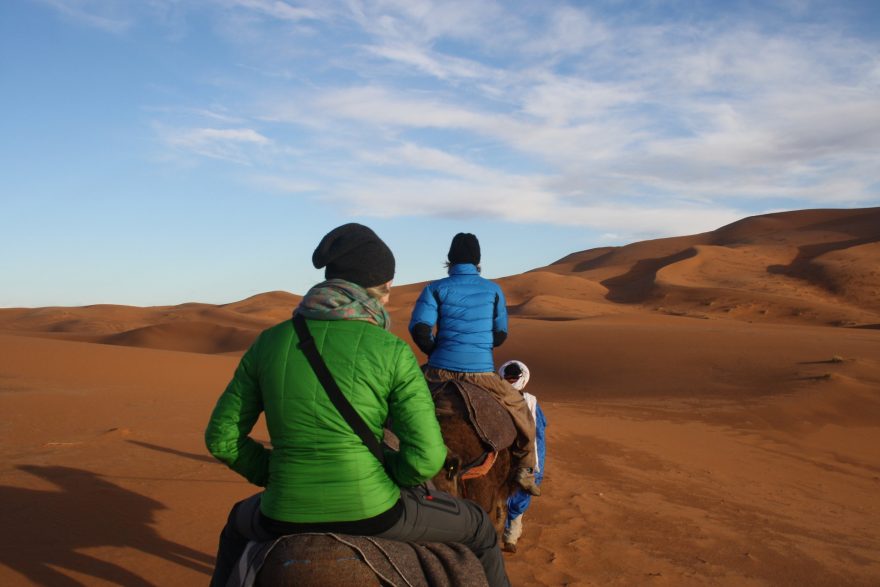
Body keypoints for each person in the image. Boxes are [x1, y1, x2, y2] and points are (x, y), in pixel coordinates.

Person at [205, 223, 510, 587]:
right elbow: (427, 458)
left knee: (235, 528)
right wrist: (390, 472)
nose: (388, 298)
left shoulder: (268, 343)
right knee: (480, 528)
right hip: (372, 510)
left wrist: (276, 474)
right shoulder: (391, 350)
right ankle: (526, 466)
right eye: (387, 288)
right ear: (378, 288)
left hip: (281, 510)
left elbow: (222, 439)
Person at [409, 233, 540, 496]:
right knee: (520, 410)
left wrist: (437, 350)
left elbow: (420, 329)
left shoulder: (435, 288)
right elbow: (500, 335)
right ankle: (525, 469)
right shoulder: (493, 290)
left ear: (450, 260)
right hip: (481, 373)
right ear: (477, 261)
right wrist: (477, 345)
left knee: (394, 402)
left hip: (438, 372)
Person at [498, 360, 547, 553]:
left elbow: (538, 433)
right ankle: (501, 535)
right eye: (508, 378)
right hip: (503, 454)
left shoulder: (530, 402)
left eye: (513, 378)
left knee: (519, 493)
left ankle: (510, 535)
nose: (511, 382)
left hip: (521, 454)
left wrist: (535, 462)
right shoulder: (496, 397)